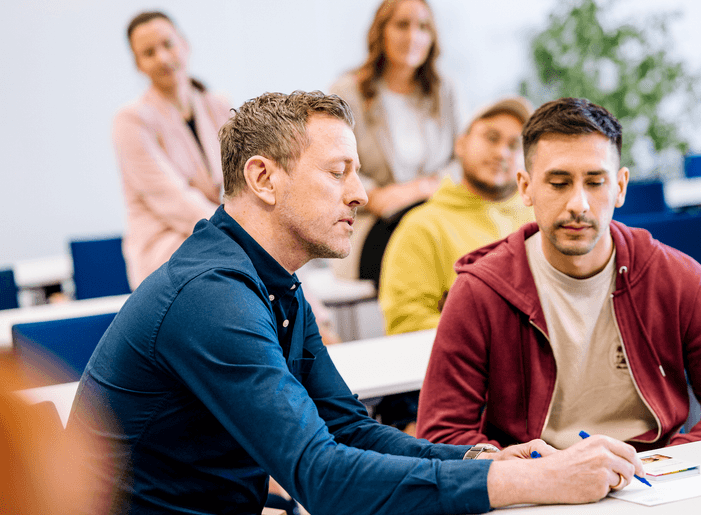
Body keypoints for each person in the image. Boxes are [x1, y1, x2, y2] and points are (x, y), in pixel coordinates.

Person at [68, 91, 646, 514]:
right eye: (338, 172)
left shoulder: (273, 283)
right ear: (263, 179)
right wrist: (533, 482)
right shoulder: (212, 297)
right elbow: (321, 478)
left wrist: (481, 461)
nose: (361, 194)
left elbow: (347, 428)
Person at [417, 97, 701, 451]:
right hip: (534, 476)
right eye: (558, 183)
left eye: (595, 182)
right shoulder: (480, 291)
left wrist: (667, 464)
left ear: (620, 187)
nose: (578, 205)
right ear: (525, 187)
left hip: (654, 469)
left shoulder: (677, 278)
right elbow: (442, 434)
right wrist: (527, 471)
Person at [379, 96, 535, 336]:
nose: (502, 152)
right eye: (491, 137)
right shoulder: (422, 227)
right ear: (461, 144)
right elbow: (406, 325)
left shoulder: (540, 221)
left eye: (514, 145)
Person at [330, 0, 462, 281]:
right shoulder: (348, 91)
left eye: (423, 27)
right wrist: (374, 196)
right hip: (375, 222)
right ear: (381, 31)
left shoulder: (444, 91)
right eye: (402, 25)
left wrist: (422, 188)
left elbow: (462, 160)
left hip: (437, 215)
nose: (413, 36)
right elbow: (332, 163)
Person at [113, 11, 230, 288]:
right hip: (167, 252)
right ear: (138, 64)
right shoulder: (131, 120)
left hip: (223, 239)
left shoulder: (219, 106)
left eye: (168, 44)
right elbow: (173, 200)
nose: (163, 58)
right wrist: (239, 231)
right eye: (149, 53)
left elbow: (242, 181)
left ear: (185, 44)